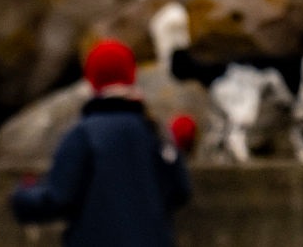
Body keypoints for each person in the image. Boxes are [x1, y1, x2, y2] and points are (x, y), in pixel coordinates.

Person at [10, 39, 192, 246]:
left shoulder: (82, 134)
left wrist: (23, 194)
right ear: (132, 76)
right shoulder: (153, 131)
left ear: (91, 79)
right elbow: (180, 190)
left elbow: (57, 197)